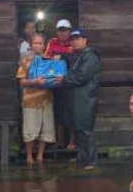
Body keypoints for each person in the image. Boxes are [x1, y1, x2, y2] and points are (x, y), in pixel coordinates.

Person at [54, 29, 101, 170]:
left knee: (86, 130)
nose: (74, 41)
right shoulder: (79, 56)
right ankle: (82, 157)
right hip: (78, 98)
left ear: (85, 40)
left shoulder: (90, 57)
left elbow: (82, 76)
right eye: (73, 39)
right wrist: (60, 56)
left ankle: (92, 160)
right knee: (78, 129)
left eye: (77, 38)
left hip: (86, 99)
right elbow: (70, 61)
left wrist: (64, 79)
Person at [16, 33, 55, 164]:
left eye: (40, 43)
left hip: (46, 99)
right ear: (31, 45)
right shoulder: (25, 60)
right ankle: (29, 156)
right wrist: (35, 82)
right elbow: (21, 82)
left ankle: (40, 155)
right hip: (30, 100)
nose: (37, 46)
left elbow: (54, 77)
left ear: (44, 46)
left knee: (46, 129)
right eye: (35, 43)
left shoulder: (49, 61)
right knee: (30, 129)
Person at [45, 19, 76, 150]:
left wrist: (60, 54)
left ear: (69, 31)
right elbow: (47, 56)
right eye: (60, 30)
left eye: (65, 30)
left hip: (70, 82)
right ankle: (60, 141)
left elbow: (75, 54)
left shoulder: (74, 41)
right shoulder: (52, 42)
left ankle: (72, 142)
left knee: (71, 112)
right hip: (56, 82)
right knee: (58, 112)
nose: (63, 33)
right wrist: (63, 53)